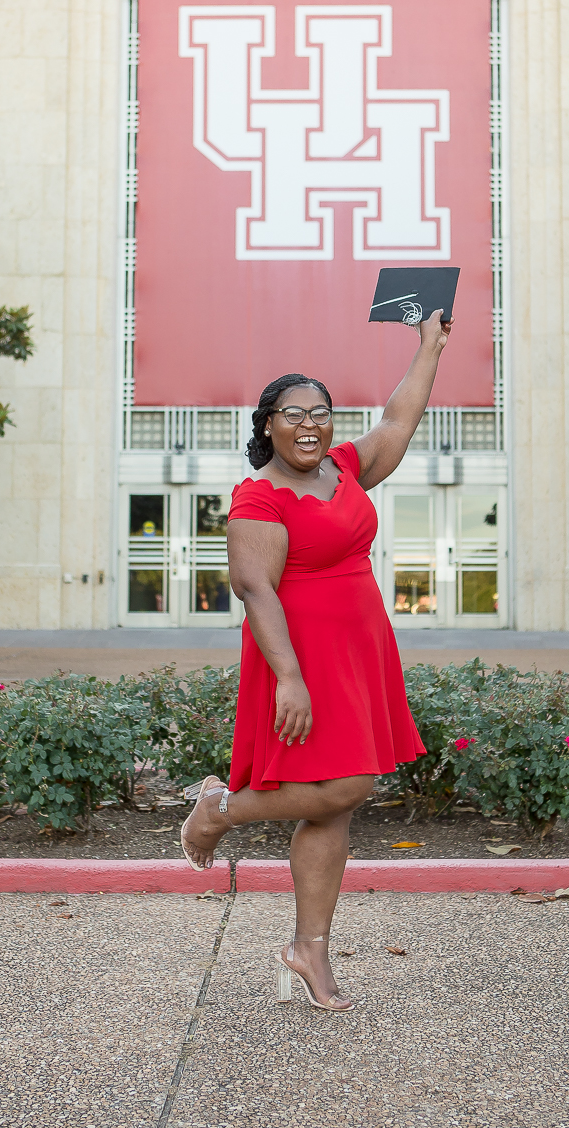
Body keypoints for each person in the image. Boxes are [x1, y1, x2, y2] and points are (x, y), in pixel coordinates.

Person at [180, 309, 452, 1012]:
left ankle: (309, 949)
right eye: (293, 413)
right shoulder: (258, 497)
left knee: (333, 810)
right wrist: (291, 679)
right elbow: (253, 588)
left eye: (322, 413)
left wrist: (429, 346)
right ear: (266, 424)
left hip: (358, 650)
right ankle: (219, 808)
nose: (310, 425)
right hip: (296, 657)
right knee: (348, 784)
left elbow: (397, 420)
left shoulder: (344, 470)